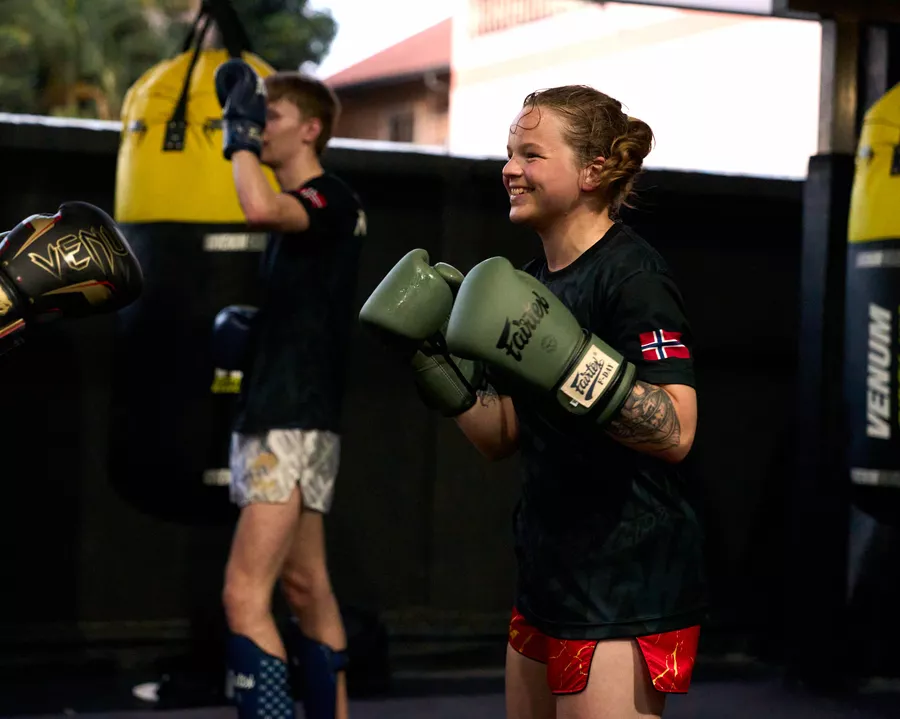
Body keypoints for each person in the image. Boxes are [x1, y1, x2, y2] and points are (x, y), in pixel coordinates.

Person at [360, 85, 706, 719]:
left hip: (624, 582)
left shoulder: (633, 275)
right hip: (548, 570)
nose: (510, 169)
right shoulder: (531, 283)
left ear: (592, 171)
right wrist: (430, 360)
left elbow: (677, 430)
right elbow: (502, 435)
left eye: (531, 155)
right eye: (508, 153)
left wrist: (569, 362)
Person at [213, 58, 367, 719]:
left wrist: (238, 135)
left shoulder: (329, 197)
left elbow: (256, 205)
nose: (259, 125)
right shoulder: (309, 215)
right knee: (306, 586)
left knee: (244, 594)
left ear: (309, 129)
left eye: (270, 115)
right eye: (257, 116)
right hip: (291, 411)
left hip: (290, 418)